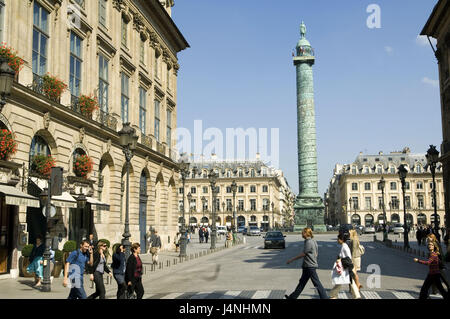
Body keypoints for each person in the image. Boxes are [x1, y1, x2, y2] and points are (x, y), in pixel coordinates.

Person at [284, 228, 328, 299]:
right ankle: (292, 297)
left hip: (309, 266)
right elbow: (316, 253)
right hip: (308, 266)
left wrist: (291, 259)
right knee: (302, 283)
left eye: (302, 233)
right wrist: (313, 259)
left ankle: (325, 297)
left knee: (317, 283)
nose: (301, 234)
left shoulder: (309, 242)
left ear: (306, 233)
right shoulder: (313, 241)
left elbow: (303, 254)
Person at [329, 233, 361, 299]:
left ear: (342, 240)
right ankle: (356, 296)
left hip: (346, 267)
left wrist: (340, 259)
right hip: (346, 266)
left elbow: (348, 257)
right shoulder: (344, 245)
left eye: (338, 239)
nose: (337, 240)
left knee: (341, 281)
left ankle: (333, 295)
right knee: (349, 281)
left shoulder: (345, 246)